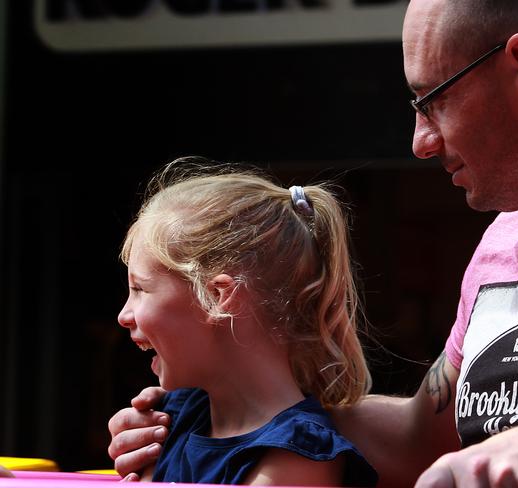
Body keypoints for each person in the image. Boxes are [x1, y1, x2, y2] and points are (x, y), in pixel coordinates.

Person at [108, 0, 518, 486]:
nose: (420, 142)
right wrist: (217, 421)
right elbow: (422, 436)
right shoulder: (504, 239)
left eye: (430, 100)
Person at [112, 158, 377, 486]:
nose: (124, 316)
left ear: (218, 296)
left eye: (140, 289)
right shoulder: (175, 416)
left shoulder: (296, 456)